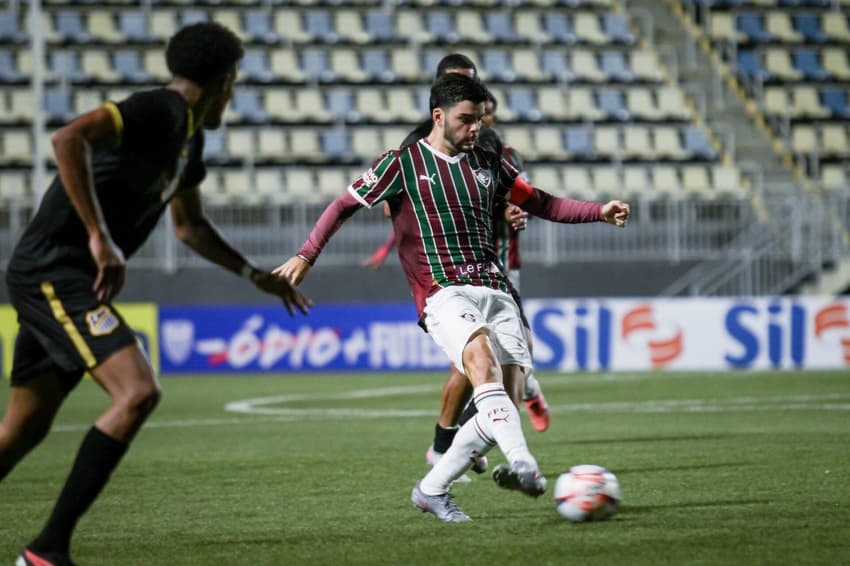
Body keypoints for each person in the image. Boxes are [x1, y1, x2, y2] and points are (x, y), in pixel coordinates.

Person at [0, 22, 311, 566]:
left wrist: (251, 273)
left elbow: (189, 227)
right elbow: (67, 138)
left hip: (73, 279)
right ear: (224, 81)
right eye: (233, 84)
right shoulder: (156, 110)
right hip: (53, 271)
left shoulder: (189, 138)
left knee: (23, 429)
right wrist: (98, 236)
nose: (232, 96)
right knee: (138, 391)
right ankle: (46, 552)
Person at [275, 73, 629, 522]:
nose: (475, 128)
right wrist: (307, 255)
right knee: (480, 362)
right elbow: (342, 205)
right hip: (441, 288)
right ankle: (525, 464)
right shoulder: (402, 163)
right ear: (438, 116)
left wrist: (598, 211)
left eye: (479, 120)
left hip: (497, 288)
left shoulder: (489, 161)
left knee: (504, 397)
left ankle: (432, 489)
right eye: (466, 120)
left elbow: (541, 201)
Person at [360, 55, 550, 485]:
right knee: (475, 365)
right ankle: (448, 450)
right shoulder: (419, 142)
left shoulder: (495, 147)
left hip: (497, 266)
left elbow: (519, 196)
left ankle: (475, 447)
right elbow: (402, 204)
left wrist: (511, 211)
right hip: (447, 272)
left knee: (510, 364)